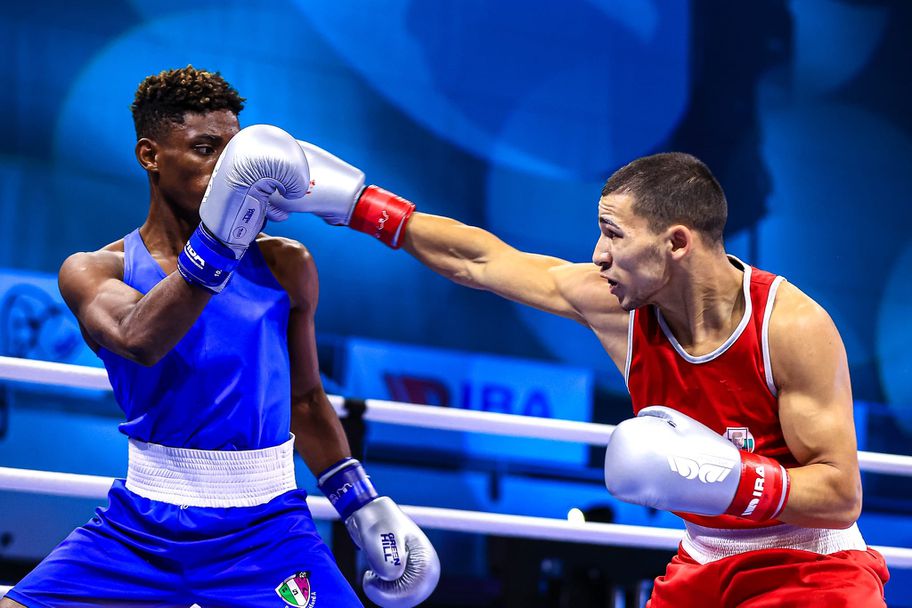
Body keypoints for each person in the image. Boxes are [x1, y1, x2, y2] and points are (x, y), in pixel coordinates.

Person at [266, 146, 890, 606]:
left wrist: (730, 479)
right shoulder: (617, 307)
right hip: (703, 561)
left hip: (812, 569)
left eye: (614, 234)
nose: (598, 255)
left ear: (676, 243)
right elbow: (480, 260)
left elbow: (841, 496)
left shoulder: (790, 326)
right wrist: (360, 207)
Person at [1, 66, 438, 608]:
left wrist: (361, 504)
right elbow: (139, 338)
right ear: (150, 156)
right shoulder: (95, 270)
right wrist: (219, 242)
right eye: (205, 150)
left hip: (267, 530)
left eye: (233, 155)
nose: (226, 171)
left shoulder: (285, 265)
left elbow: (304, 400)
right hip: (140, 529)